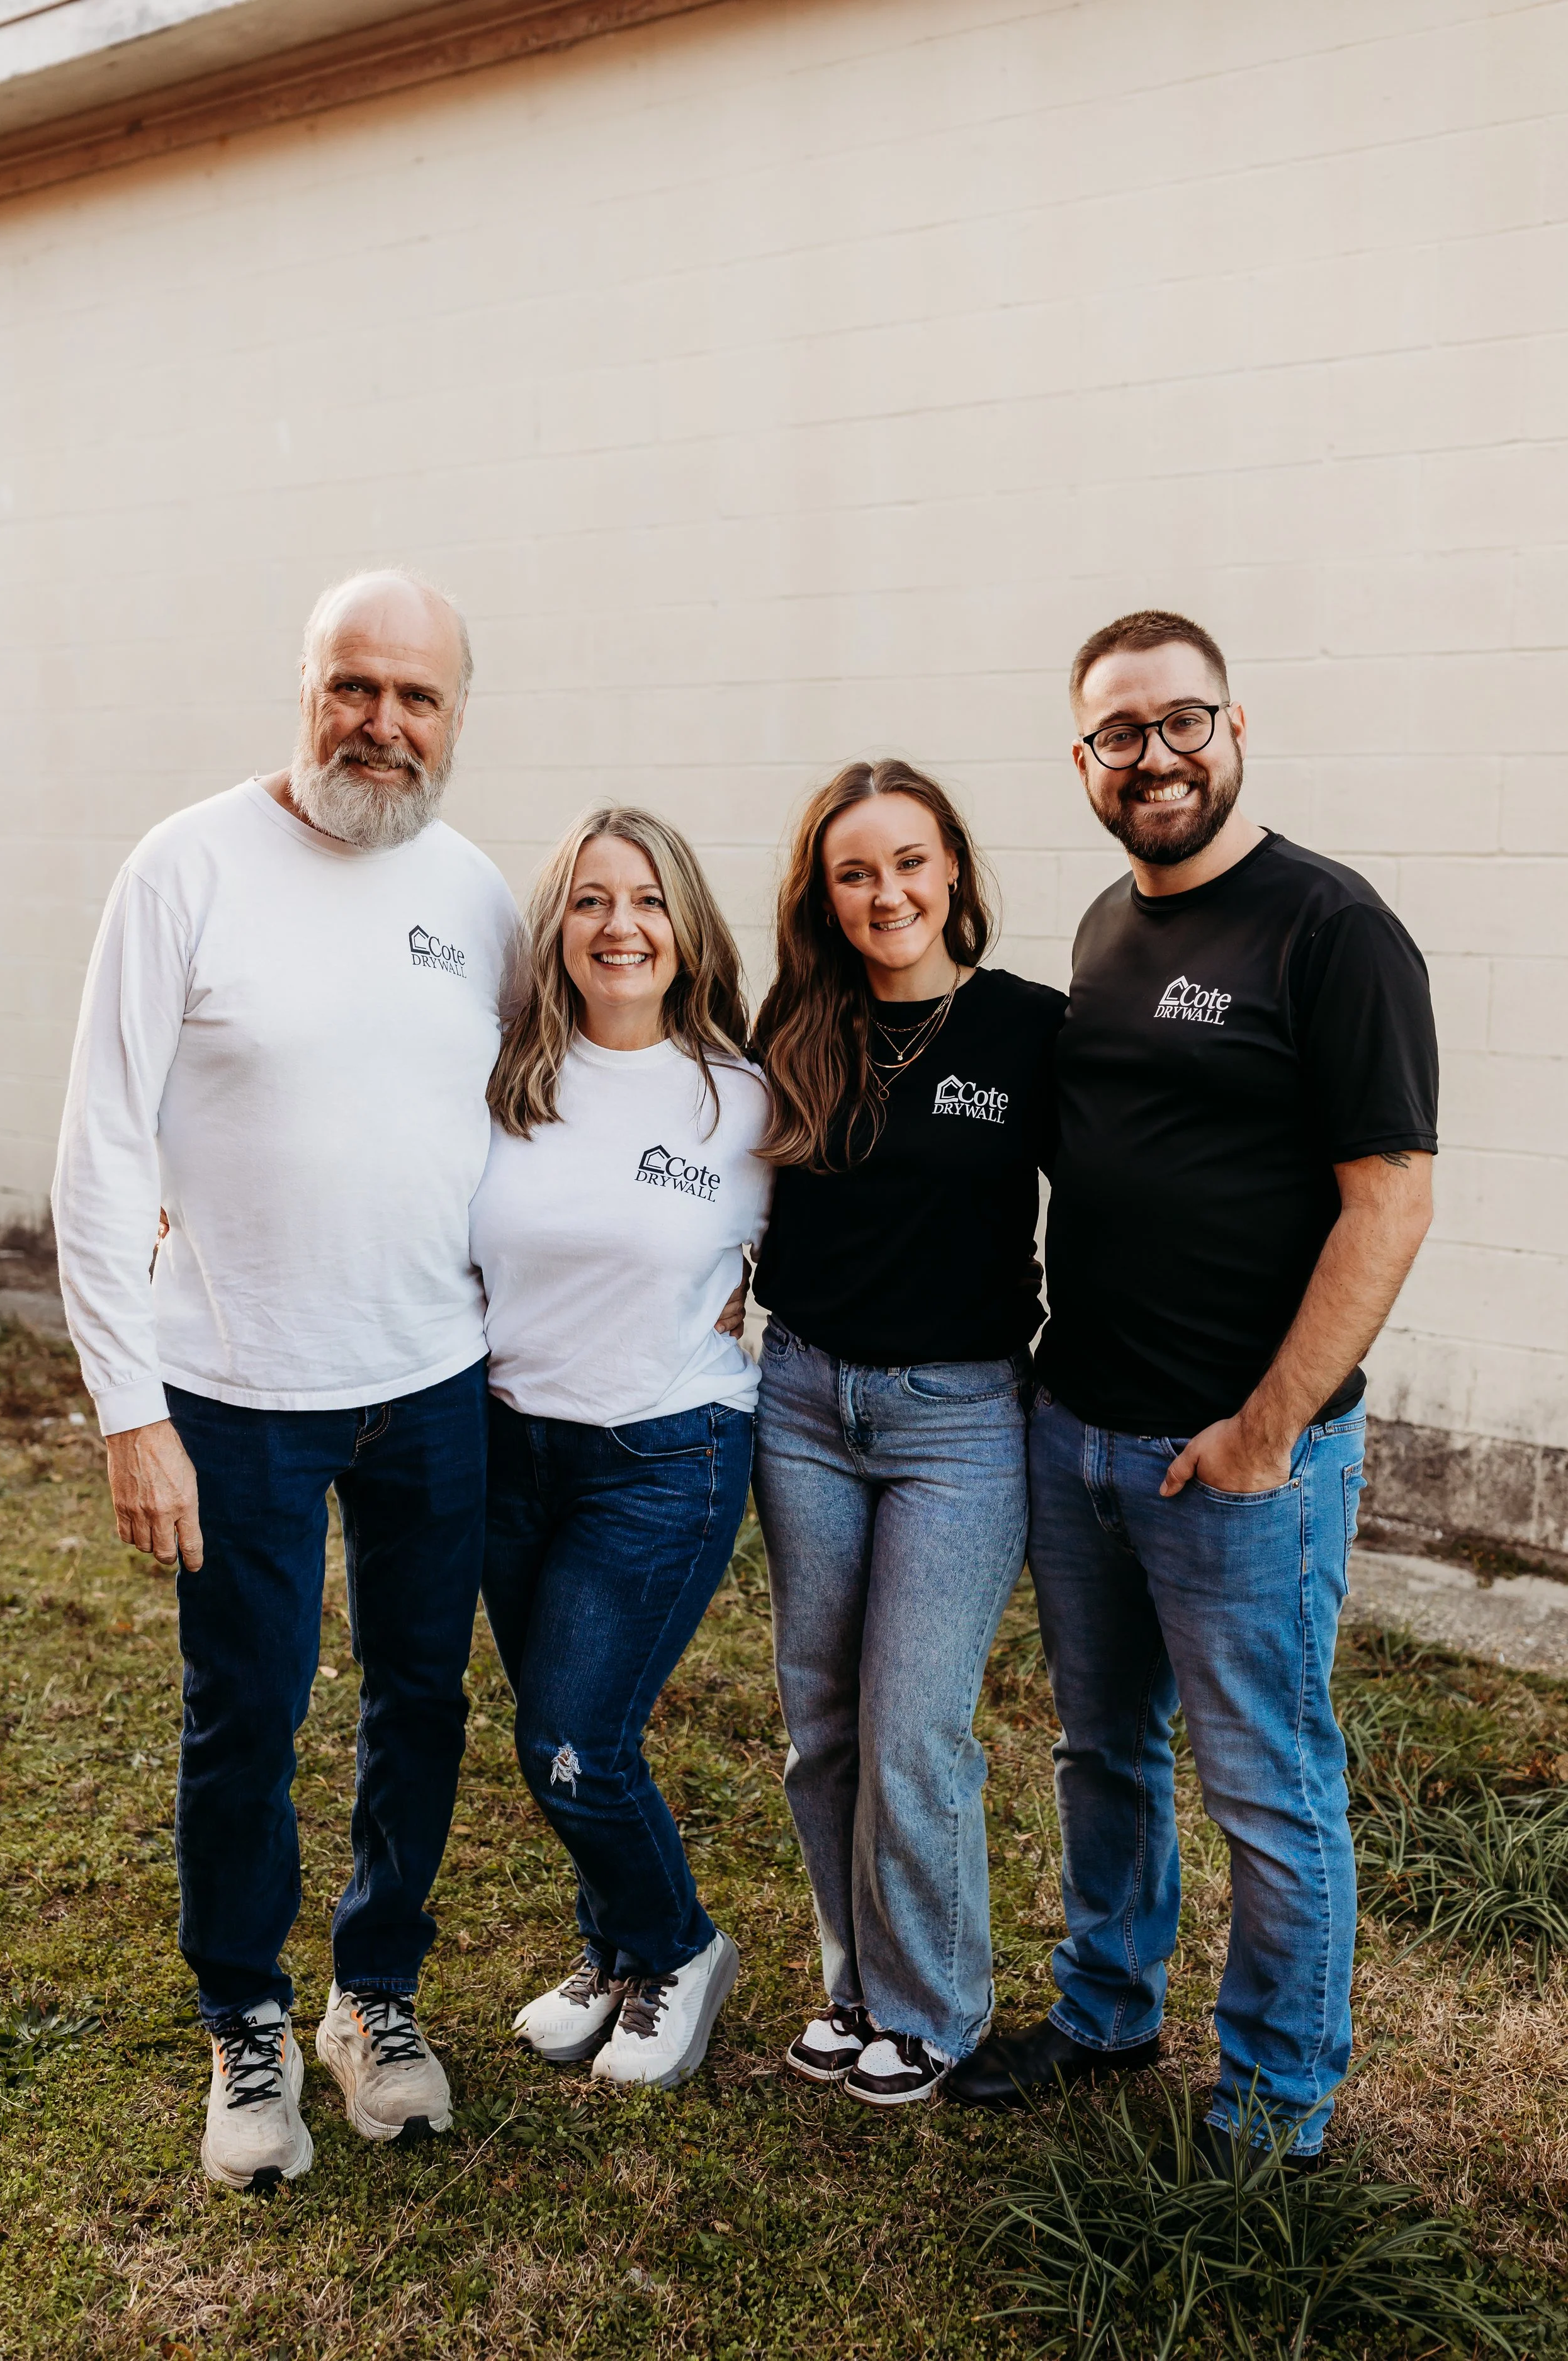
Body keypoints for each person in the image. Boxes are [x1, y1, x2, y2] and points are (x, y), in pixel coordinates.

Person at [52, 570, 522, 2190]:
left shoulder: (475, 894)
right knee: (245, 1713)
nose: (382, 724)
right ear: (307, 689)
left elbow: (535, 1116)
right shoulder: (184, 867)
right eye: (354, 688)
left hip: (435, 1380)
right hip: (236, 1389)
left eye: (418, 698)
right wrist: (129, 1407)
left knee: (422, 1702)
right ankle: (245, 2019)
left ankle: (371, 1996)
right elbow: (104, 1145)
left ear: (457, 718)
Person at [947, 611, 1438, 2162]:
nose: (1151, 756)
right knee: (1099, 1750)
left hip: (1235, 1462)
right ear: (1079, 759)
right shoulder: (1105, 923)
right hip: (1075, 1428)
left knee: (1268, 1790)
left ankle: (1275, 2097)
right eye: (1117, 733)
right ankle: (1105, 2009)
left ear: (1235, 730)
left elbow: (1389, 1198)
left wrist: (1265, 1429)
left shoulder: (1328, 929)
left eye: (1180, 722)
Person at [750, 760, 1066, 2105]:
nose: (887, 892)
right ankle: (855, 1985)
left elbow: (1123, 1199)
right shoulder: (795, 1024)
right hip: (806, 1404)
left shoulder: (1027, 1030)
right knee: (819, 1723)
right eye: (854, 872)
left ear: (953, 873)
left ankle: (932, 2009)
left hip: (959, 1421)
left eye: (909, 863)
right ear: (824, 897)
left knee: (911, 1729)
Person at [474, 807, 769, 2092]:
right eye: (590, 901)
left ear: (686, 927)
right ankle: (610, 1951)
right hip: (506, 1449)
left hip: (664, 1453)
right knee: (554, 1735)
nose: (619, 925)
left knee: (573, 1739)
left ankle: (680, 1947)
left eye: (646, 899)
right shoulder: (501, 1081)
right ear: (557, 931)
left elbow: (826, 1247)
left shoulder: (742, 1101)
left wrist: (760, 1298)